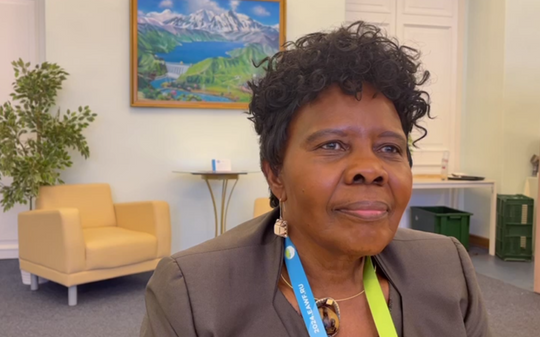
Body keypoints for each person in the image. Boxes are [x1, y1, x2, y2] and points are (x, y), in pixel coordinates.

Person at [140, 21, 491, 337]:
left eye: (389, 148)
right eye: (333, 144)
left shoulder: (447, 267)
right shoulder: (194, 294)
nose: (371, 169)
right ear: (275, 174)